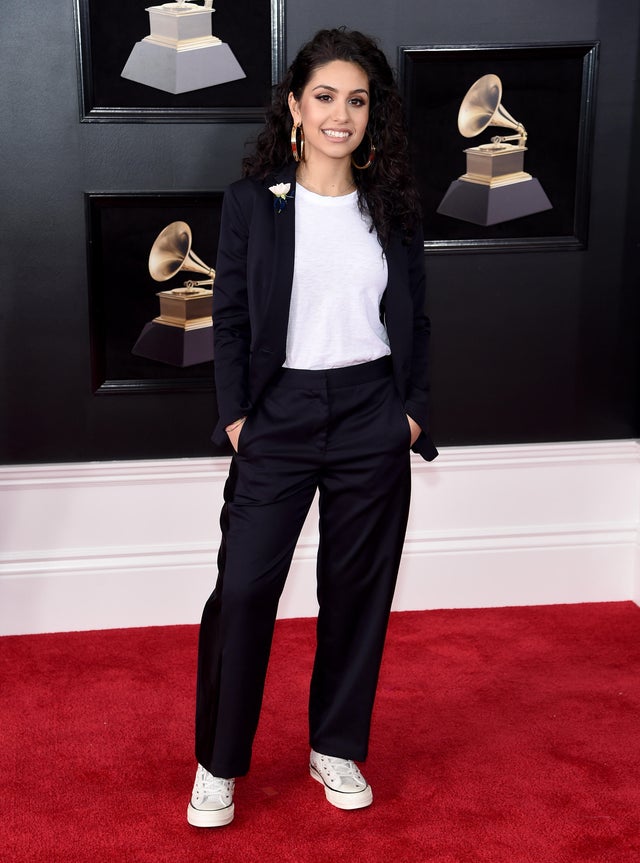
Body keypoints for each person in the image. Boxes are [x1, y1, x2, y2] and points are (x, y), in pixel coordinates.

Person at [187, 26, 438, 828]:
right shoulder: (248, 204)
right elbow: (225, 318)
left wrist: (409, 412)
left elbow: (417, 317)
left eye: (357, 100)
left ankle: (336, 744)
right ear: (294, 106)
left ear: (373, 115)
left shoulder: (391, 207)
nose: (341, 114)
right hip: (278, 416)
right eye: (325, 97)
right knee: (246, 589)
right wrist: (236, 416)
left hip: (371, 411)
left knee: (356, 592)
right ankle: (218, 762)